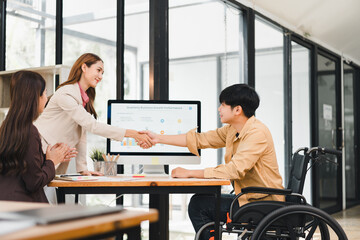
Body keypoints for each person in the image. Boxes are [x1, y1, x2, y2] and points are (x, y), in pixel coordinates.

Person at [140, 84, 284, 240]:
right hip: (248, 199)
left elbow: (234, 170)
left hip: (263, 203)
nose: (219, 109)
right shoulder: (232, 130)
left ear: (237, 110)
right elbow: (200, 139)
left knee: (199, 205)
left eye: (223, 105)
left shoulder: (257, 133)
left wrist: (189, 173)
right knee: (200, 200)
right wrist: (158, 138)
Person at [34, 53, 153, 176]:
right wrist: (133, 133)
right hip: (39, 148)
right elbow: (92, 125)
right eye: (98, 70)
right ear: (84, 67)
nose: (100, 76)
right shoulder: (66, 94)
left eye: (102, 73)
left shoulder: (83, 98)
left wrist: (82, 169)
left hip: (51, 155)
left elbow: (82, 135)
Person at [0, 71, 75, 203]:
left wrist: (50, 157)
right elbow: (34, 182)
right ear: (35, 97)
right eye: (45, 93)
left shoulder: (6, 127)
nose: (46, 98)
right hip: (25, 208)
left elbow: (21, 169)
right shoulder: (29, 131)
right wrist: (51, 162)